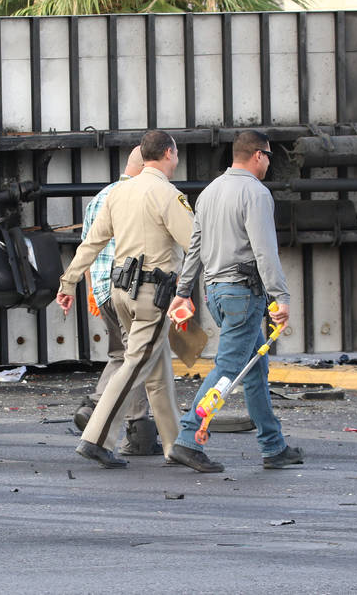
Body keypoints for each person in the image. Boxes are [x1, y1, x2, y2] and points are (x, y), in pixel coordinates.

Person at [167, 130, 304, 473]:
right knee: (229, 369)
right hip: (243, 293)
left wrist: (184, 291)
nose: (269, 163)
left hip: (216, 292)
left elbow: (195, 247)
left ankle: (274, 446)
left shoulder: (210, 192)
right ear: (258, 155)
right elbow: (264, 250)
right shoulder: (256, 193)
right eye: (269, 157)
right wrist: (281, 296)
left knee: (255, 368)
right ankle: (185, 438)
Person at [56, 131, 193, 469]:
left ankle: (176, 445)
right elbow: (196, 243)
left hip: (120, 294)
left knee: (157, 373)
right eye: (175, 154)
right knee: (133, 366)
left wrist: (67, 281)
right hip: (153, 295)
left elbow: (90, 244)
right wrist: (191, 291)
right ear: (168, 154)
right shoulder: (167, 194)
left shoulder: (117, 194)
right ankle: (96, 439)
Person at [72, 147, 161, 456]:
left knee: (122, 355)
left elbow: (88, 245)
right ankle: (97, 404)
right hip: (132, 288)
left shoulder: (100, 197)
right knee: (136, 357)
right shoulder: (141, 195)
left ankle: (140, 433)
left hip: (104, 290)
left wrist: (92, 291)